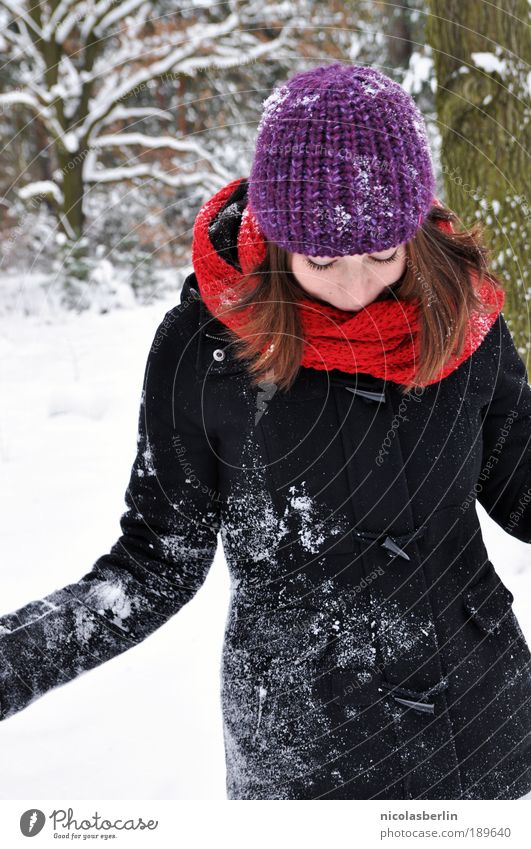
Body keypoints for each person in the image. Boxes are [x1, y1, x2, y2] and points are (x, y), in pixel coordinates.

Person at [1, 62, 530, 801]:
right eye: (322, 259)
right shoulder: (202, 351)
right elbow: (152, 564)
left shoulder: (459, 313)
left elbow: (521, 486)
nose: (356, 287)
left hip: (485, 728)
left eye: (383, 253)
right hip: (309, 756)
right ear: (279, 241)